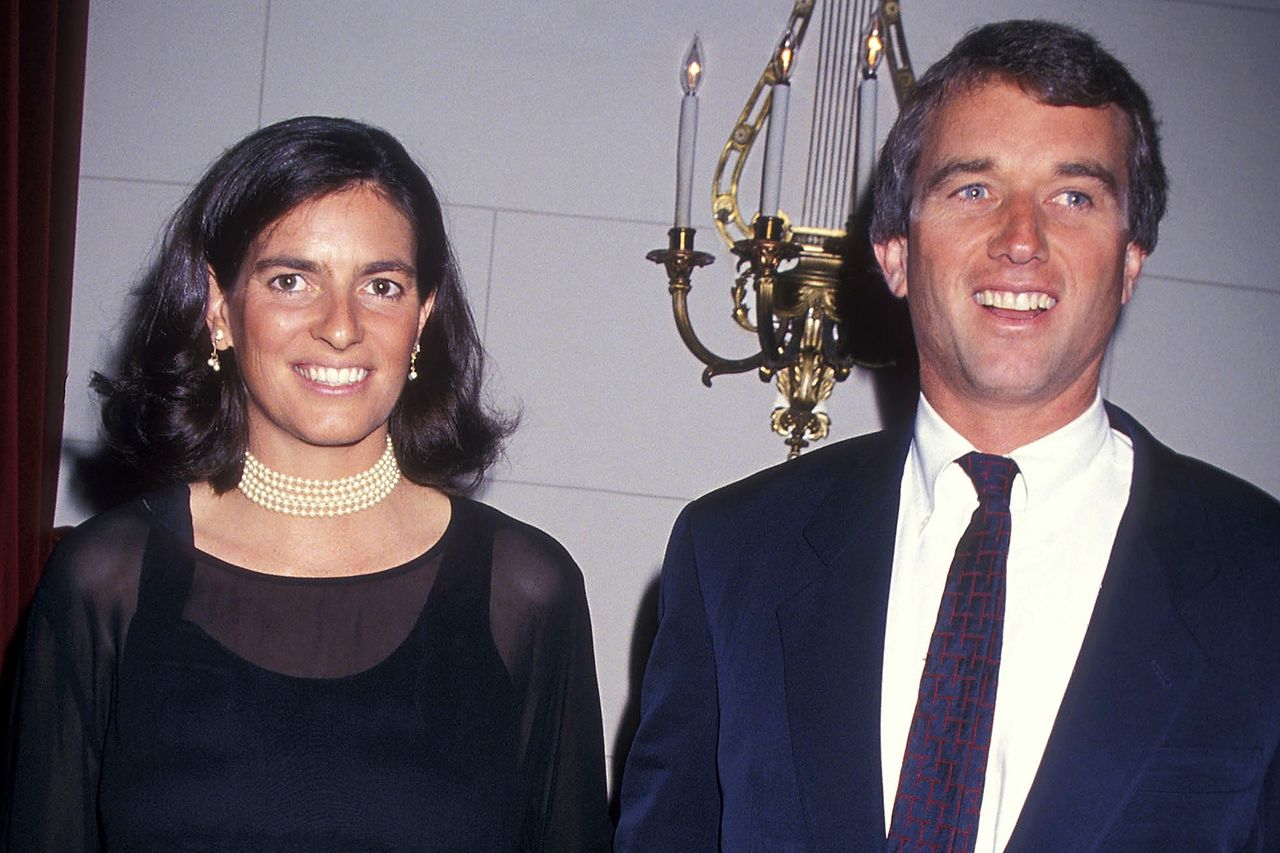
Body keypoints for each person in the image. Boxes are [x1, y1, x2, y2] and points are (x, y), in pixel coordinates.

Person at [616, 19, 1280, 852]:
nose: (1021, 241)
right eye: (974, 189)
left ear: (1131, 258)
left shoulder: (1260, 580)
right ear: (894, 250)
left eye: (1074, 196)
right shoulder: (734, 555)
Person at [2, 116, 612, 851]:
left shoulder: (524, 591)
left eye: (381, 285)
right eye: (292, 280)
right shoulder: (106, 583)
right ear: (219, 308)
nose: (341, 326)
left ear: (422, 318)